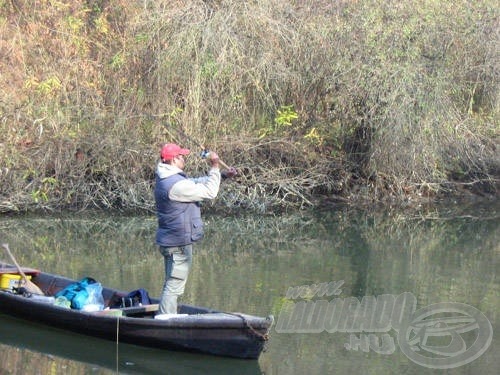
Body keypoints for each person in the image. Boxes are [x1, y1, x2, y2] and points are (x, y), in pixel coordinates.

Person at [154, 143, 236, 314]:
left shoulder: (168, 178)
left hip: (172, 241)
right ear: (174, 159)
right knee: (174, 285)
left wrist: (222, 175)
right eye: (182, 156)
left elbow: (196, 183)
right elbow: (210, 192)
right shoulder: (176, 185)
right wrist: (214, 165)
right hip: (178, 243)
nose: (184, 159)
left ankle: (166, 315)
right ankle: (166, 319)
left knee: (172, 282)